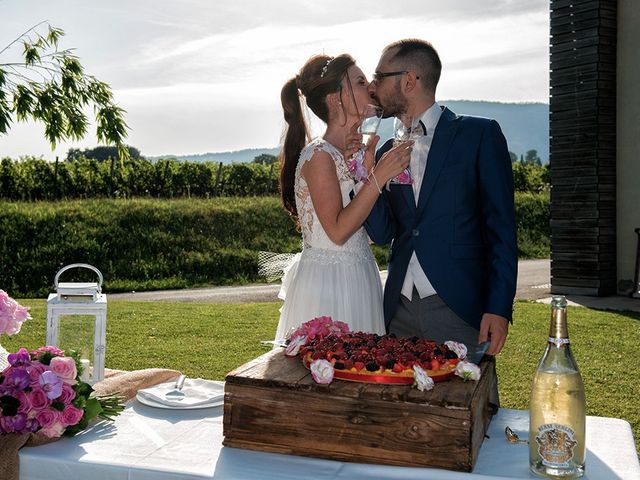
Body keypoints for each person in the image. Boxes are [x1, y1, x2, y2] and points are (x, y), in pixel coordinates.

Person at [365, 39, 517, 358]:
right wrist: (369, 176)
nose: (372, 86)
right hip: (398, 311)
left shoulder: (478, 135)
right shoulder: (383, 151)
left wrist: (499, 307)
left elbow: (501, 230)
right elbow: (381, 233)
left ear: (409, 81)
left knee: (468, 404)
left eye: (379, 77)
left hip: (460, 307)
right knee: (401, 406)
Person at [273, 53, 412, 342]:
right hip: (330, 285)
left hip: (361, 276)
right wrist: (378, 177)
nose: (371, 87)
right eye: (360, 82)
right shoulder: (320, 155)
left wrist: (367, 171)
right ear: (337, 97)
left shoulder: (353, 156)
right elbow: (337, 231)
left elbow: (370, 233)